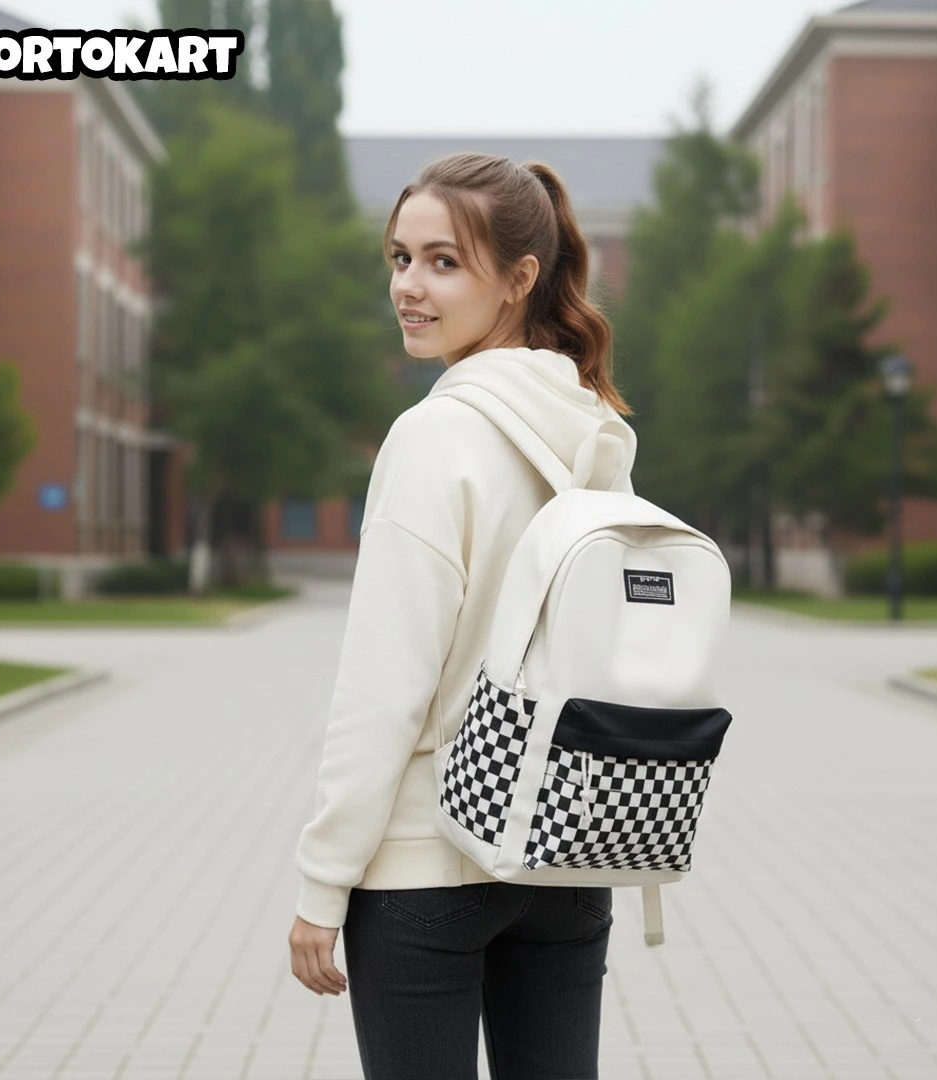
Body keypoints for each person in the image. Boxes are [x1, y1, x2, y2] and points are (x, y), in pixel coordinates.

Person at [288, 151, 638, 1080]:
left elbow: (385, 687)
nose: (409, 285)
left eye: (444, 262)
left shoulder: (435, 434)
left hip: (426, 865)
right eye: (399, 258)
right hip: (566, 854)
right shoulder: (593, 429)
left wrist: (322, 883)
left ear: (521, 278)